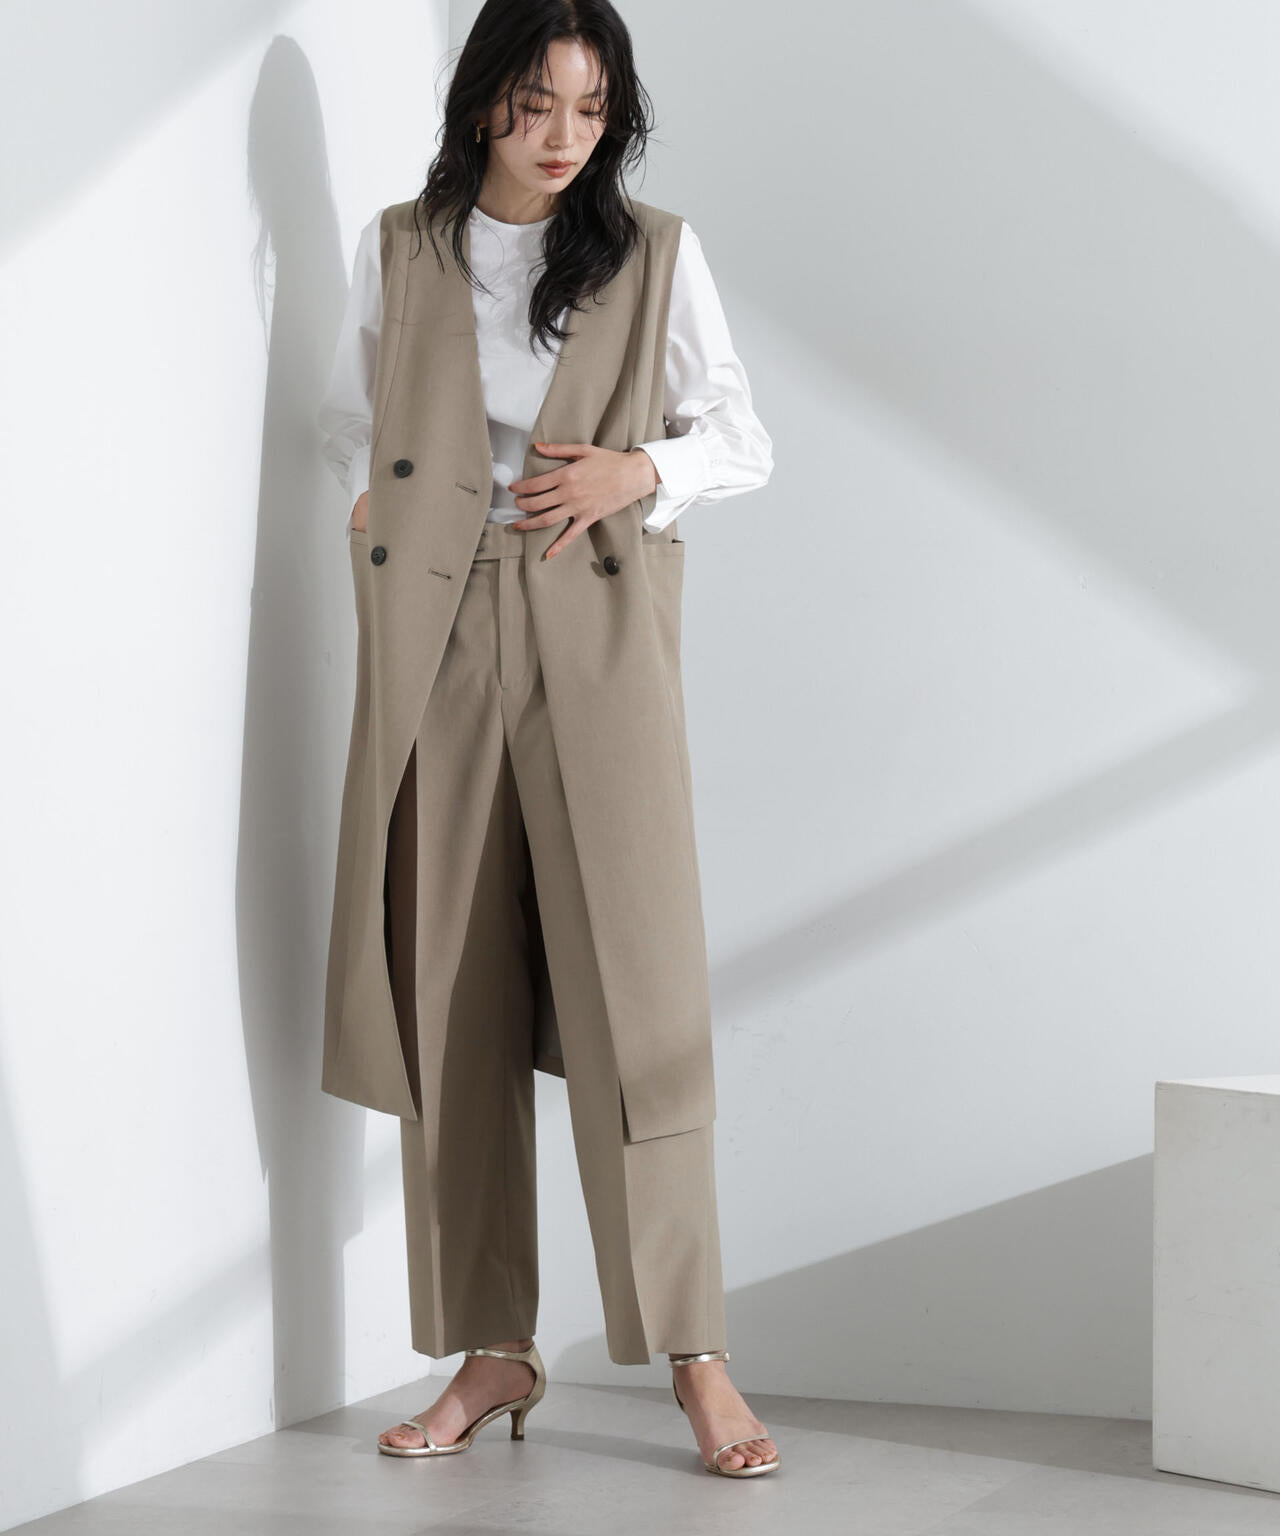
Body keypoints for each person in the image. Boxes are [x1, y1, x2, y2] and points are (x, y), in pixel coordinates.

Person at [316, 0, 778, 1480]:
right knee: (448, 982)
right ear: (481, 102)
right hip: (437, 629)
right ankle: (490, 1347)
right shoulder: (405, 245)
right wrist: (380, 501)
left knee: (642, 991)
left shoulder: (653, 251)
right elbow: (348, 413)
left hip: (596, 618)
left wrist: (637, 468)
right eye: (534, 102)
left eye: (589, 106)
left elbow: (742, 438)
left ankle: (696, 1352)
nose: (563, 133)